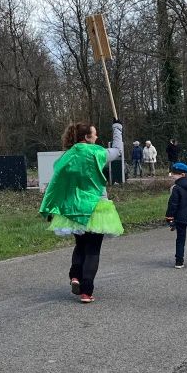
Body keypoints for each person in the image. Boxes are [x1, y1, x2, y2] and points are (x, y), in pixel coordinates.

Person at [39, 120, 125, 303]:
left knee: (80, 245)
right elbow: (118, 150)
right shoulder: (97, 153)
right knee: (93, 250)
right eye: (94, 134)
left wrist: (49, 208)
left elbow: (56, 184)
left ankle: (75, 276)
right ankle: (86, 291)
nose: (97, 136)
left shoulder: (67, 156)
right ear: (87, 137)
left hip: (74, 209)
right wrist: (117, 128)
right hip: (97, 208)